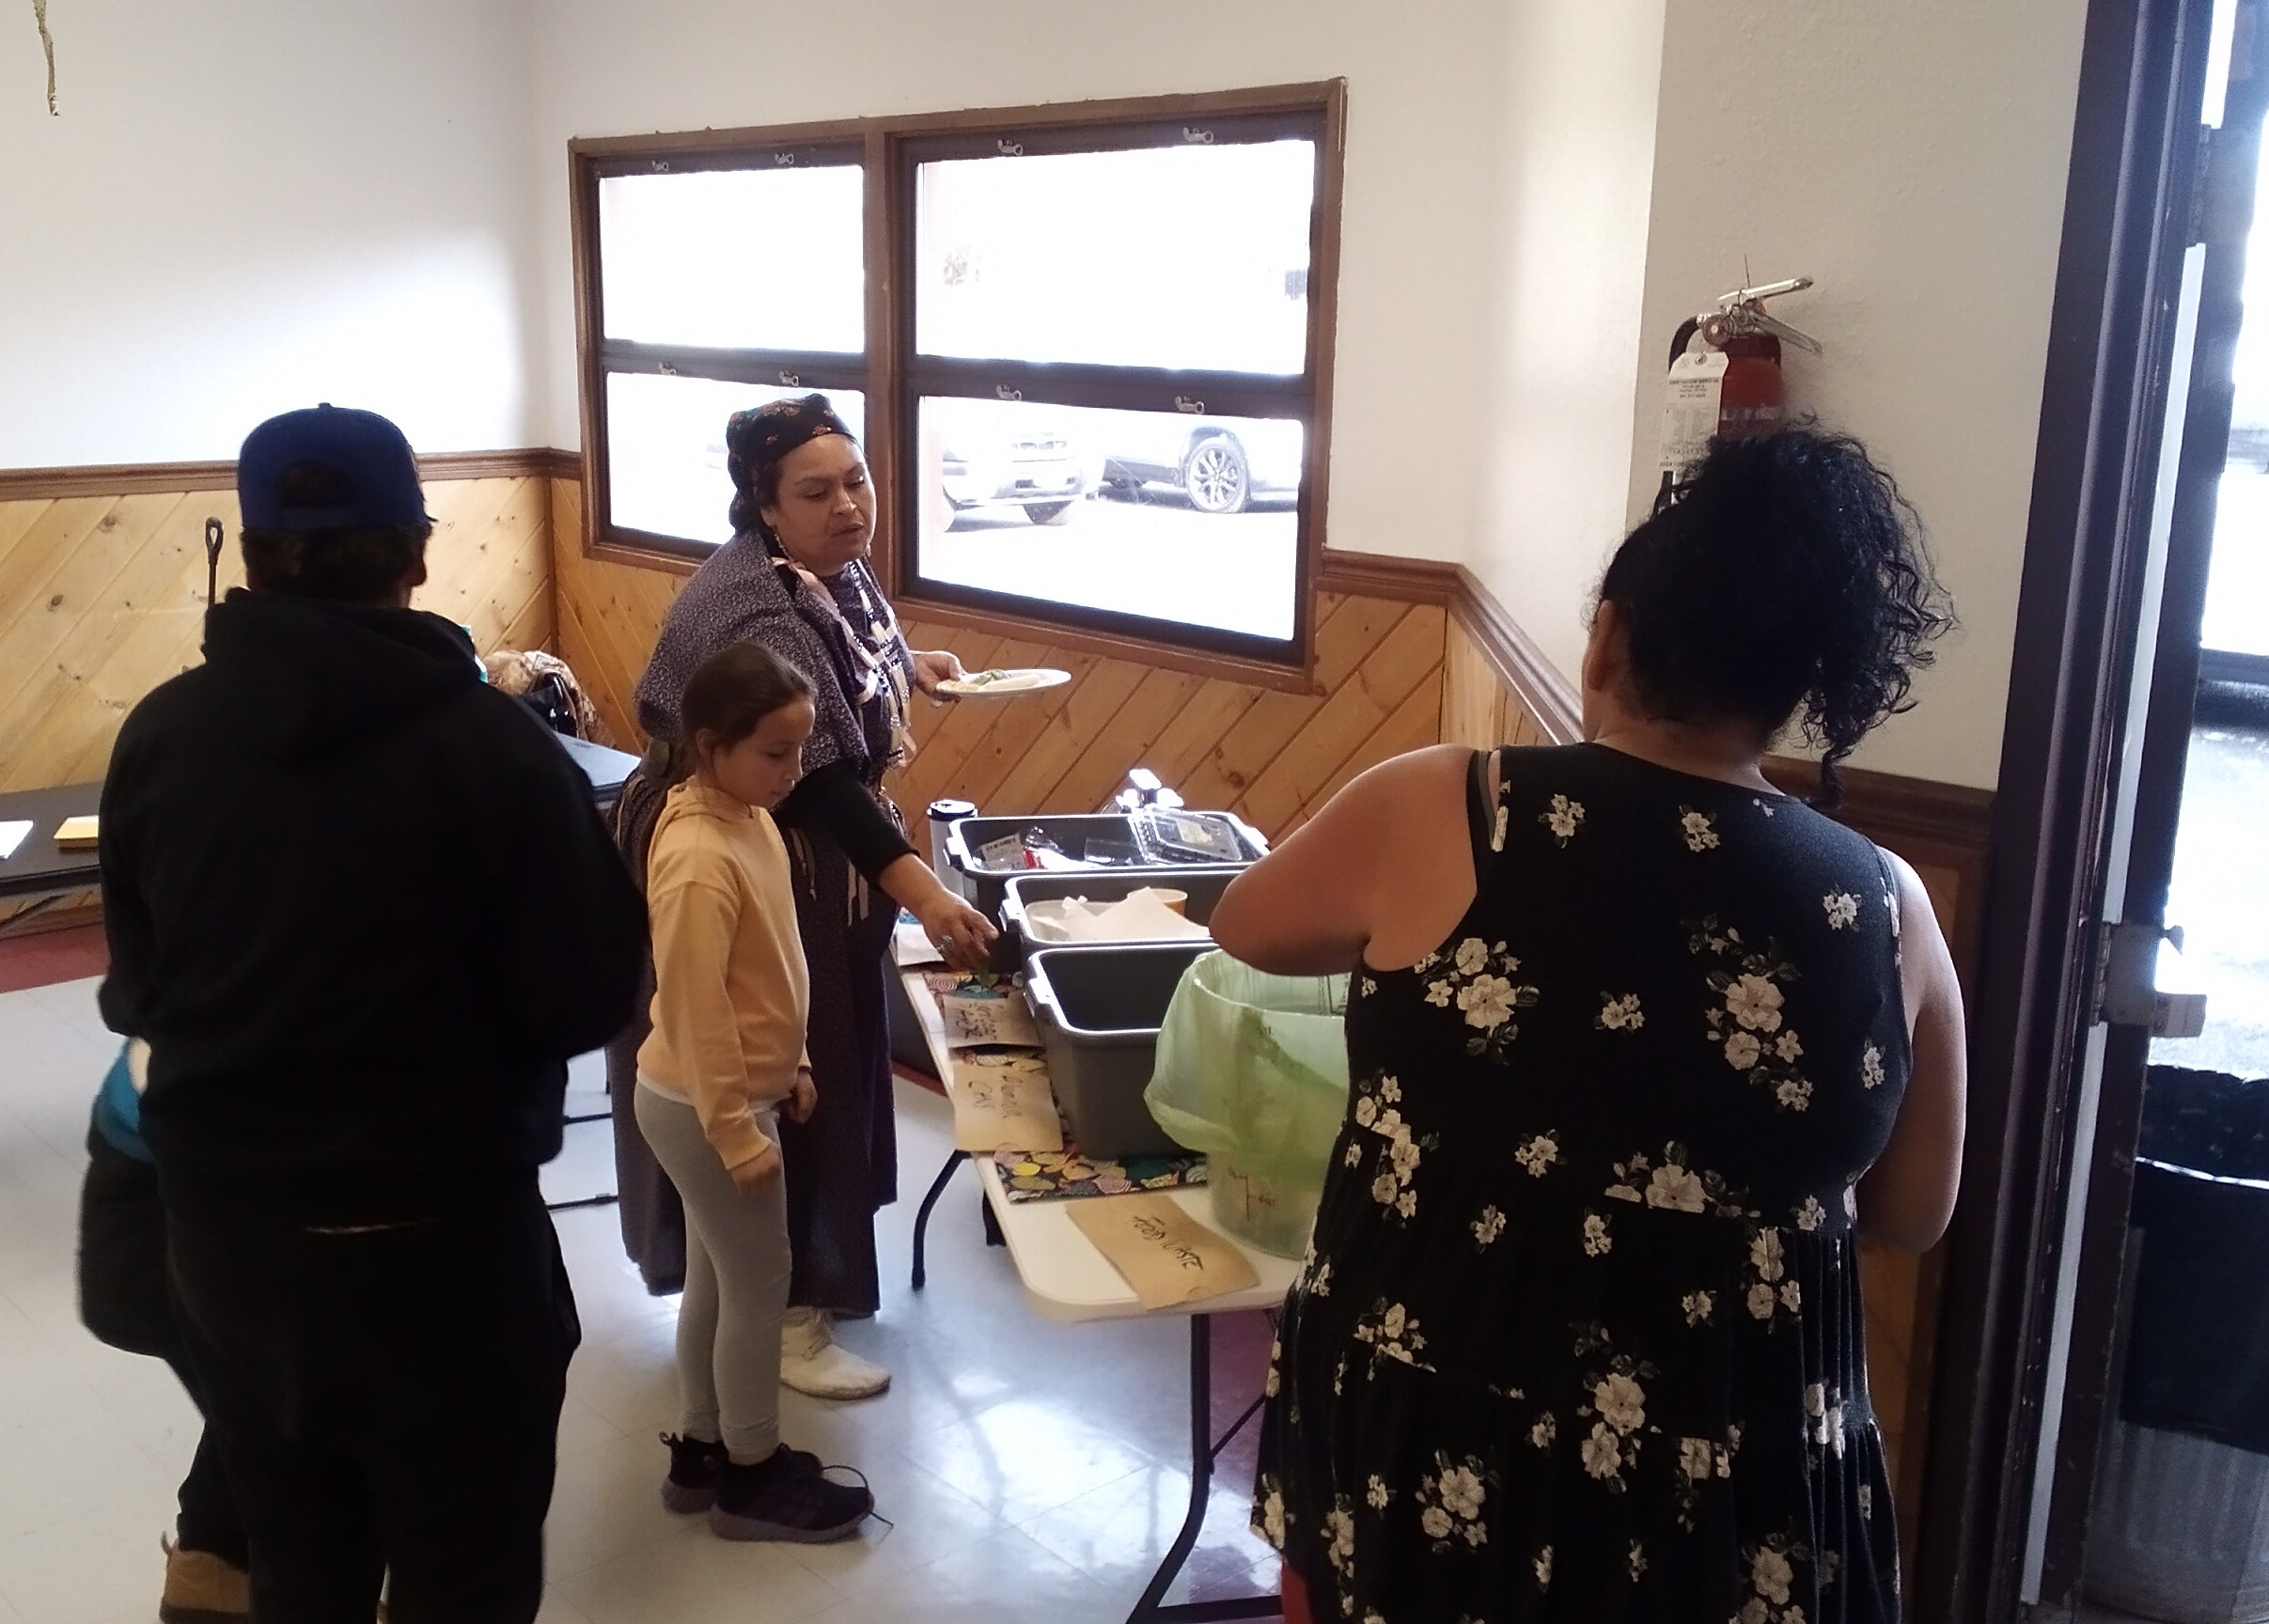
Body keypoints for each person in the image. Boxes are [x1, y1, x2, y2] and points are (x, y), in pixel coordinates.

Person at [1210, 428, 1966, 1623]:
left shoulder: (1450, 802)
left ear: (1608, 632)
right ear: (1800, 685)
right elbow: (1911, 1214)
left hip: (1434, 1408)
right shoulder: (1887, 901)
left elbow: (1246, 926)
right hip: (1732, 1457)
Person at [98, 403, 647, 1623]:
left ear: (252, 553)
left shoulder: (161, 739)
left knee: (297, 1564)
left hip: (231, 1254)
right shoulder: (497, 755)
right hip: (443, 1255)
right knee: (466, 1578)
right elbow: (589, 996)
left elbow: (136, 995)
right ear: (415, 550)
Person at [609, 393, 996, 1399]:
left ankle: (779, 1294)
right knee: (772, 1055)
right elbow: (821, 778)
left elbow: (846, 660)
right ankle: (782, 1319)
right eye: (815, 491)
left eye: (856, 480)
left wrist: (912, 665)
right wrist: (926, 897)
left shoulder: (824, 570)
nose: (848, 505)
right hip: (772, 852)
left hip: (807, 852)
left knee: (820, 1057)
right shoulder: (750, 602)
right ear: (762, 504)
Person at [634, 638, 878, 1540]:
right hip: (704, 1106)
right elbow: (696, 1010)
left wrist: (800, 1061)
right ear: (710, 746)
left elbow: (769, 971)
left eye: (802, 748)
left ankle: (703, 1449)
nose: (793, 769)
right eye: (775, 752)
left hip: (730, 1095)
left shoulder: (748, 819)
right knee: (761, 1287)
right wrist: (737, 1129)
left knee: (718, 1273)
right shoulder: (698, 854)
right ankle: (752, 1471)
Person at [76, 1038, 251, 1623]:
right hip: (196, 1197)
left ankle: (216, 1568)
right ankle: (229, 1568)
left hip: (148, 1186)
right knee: (314, 1435)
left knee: (268, 1415)